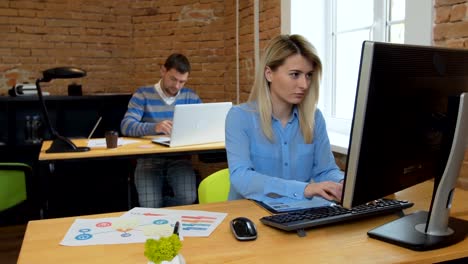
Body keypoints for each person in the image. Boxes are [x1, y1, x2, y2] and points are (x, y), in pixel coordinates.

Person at [225, 34, 344, 205]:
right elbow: (242, 177)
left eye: (309, 75)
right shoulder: (239, 117)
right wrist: (303, 189)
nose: (304, 84)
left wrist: (341, 183)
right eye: (295, 74)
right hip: (249, 213)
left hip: (296, 214)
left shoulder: (314, 118)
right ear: (269, 74)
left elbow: (325, 170)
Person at [121, 53, 201, 208]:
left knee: (188, 198)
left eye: (182, 82)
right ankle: (157, 212)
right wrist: (154, 127)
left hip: (179, 159)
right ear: (163, 71)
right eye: (173, 79)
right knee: (150, 204)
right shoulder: (142, 94)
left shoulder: (190, 97)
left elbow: (201, 127)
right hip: (148, 160)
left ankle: (161, 213)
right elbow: (126, 126)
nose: (177, 86)